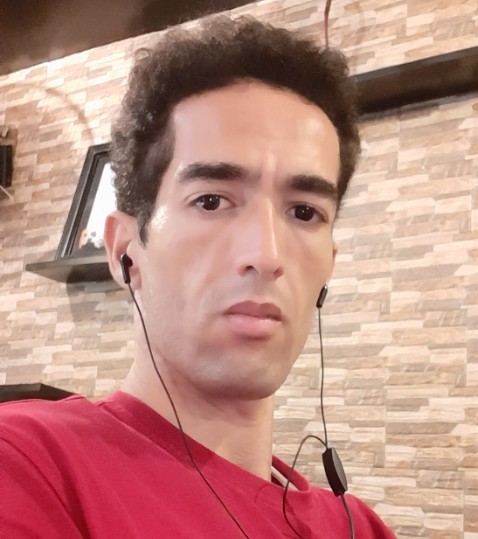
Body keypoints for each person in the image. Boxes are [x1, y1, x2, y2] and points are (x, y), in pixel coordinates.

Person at [1, 16, 396, 538]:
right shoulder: (26, 466)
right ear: (125, 251)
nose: (267, 254)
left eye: (304, 212)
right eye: (211, 201)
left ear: (329, 264)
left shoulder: (358, 527)